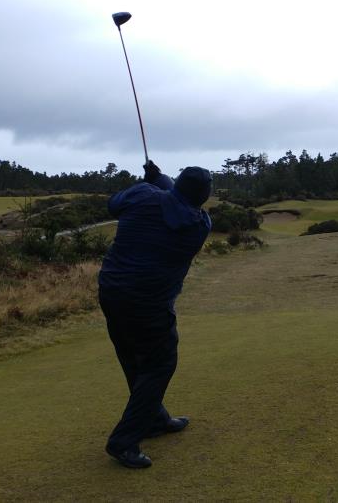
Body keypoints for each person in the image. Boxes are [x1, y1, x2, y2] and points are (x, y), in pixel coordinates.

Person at [98, 161, 212, 469]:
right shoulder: (199, 225)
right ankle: (124, 440)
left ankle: (154, 420)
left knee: (134, 360)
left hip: (112, 292)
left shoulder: (142, 195)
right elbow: (177, 200)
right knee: (160, 364)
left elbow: (114, 205)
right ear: (204, 197)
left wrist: (153, 180)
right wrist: (160, 180)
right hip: (150, 304)